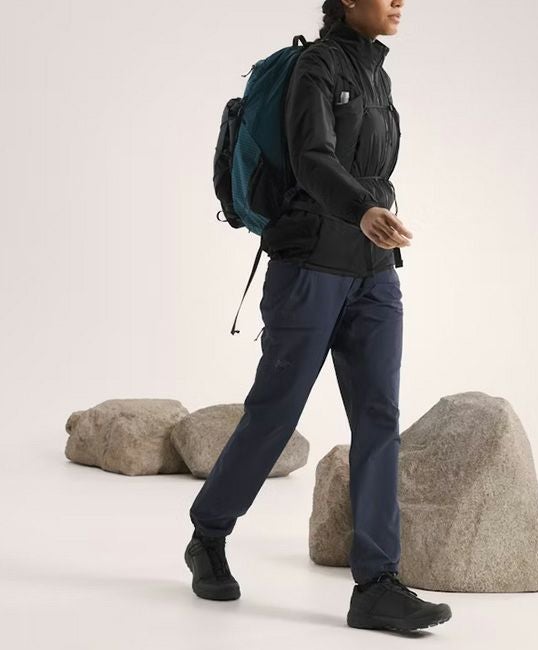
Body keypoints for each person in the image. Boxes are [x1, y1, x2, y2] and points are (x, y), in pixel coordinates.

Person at [184, 0, 452, 633]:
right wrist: (362, 209)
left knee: (379, 419)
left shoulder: (377, 74)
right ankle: (209, 534)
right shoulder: (317, 66)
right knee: (275, 413)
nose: (399, 2)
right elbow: (311, 158)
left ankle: (377, 585)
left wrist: (372, 218)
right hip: (309, 267)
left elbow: (373, 169)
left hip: (374, 273)